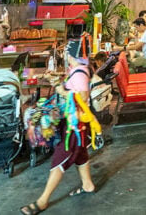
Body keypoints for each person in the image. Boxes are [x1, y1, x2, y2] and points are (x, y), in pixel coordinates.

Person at [20, 39, 97, 215]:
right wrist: (57, 81)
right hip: (73, 123)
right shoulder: (78, 70)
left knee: (59, 160)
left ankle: (42, 201)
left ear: (71, 55)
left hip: (75, 126)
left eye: (66, 52)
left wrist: (61, 90)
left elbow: (83, 97)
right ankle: (87, 184)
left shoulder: (79, 73)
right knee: (80, 155)